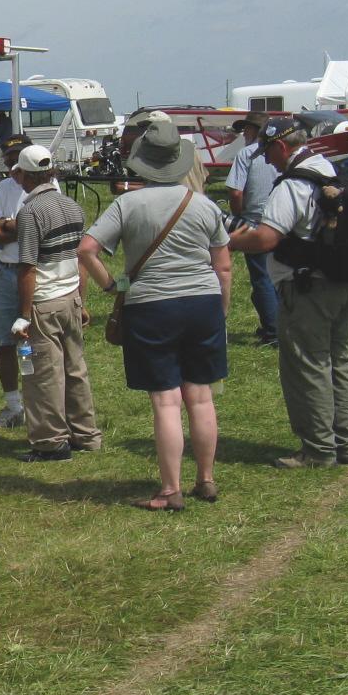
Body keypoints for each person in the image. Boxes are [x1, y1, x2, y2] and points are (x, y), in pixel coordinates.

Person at [79, 112, 231, 510]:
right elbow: (224, 266)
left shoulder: (128, 203)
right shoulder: (203, 205)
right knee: (200, 397)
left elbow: (87, 249)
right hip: (203, 302)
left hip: (151, 304)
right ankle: (207, 479)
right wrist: (222, 310)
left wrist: (113, 286)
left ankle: (170, 489)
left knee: (166, 402)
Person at [228, 117, 348, 468]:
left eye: (268, 152)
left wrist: (229, 241)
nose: (267, 160)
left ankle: (317, 450)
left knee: (308, 365)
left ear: (281, 146)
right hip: (343, 283)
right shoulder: (327, 169)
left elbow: (266, 238)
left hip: (308, 289)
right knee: (340, 362)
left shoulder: (292, 185)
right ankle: (344, 442)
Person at [8, 145, 100, 461]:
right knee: (75, 369)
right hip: (71, 296)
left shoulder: (30, 213)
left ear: (23, 175)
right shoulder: (72, 206)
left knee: (43, 375)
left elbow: (28, 268)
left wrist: (22, 316)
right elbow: (81, 258)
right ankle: (85, 434)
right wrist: (82, 301)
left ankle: (50, 442)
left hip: (44, 302)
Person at [0, 133, 34, 430]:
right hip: (6, 270)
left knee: (37, 340)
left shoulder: (46, 187)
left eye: (18, 158)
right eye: (9, 158)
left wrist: (9, 225)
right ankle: (14, 406)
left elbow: (41, 232)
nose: (12, 165)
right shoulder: (3, 188)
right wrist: (17, 228)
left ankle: (40, 403)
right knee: (3, 341)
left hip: (34, 271)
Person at [225, 118, 279, 346]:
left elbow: (236, 193)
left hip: (255, 221)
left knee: (261, 278)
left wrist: (238, 217)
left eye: (246, 128)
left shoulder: (246, 154)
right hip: (282, 221)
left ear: (252, 130)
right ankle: (281, 324)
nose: (243, 133)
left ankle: (273, 331)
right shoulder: (281, 153)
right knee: (279, 276)